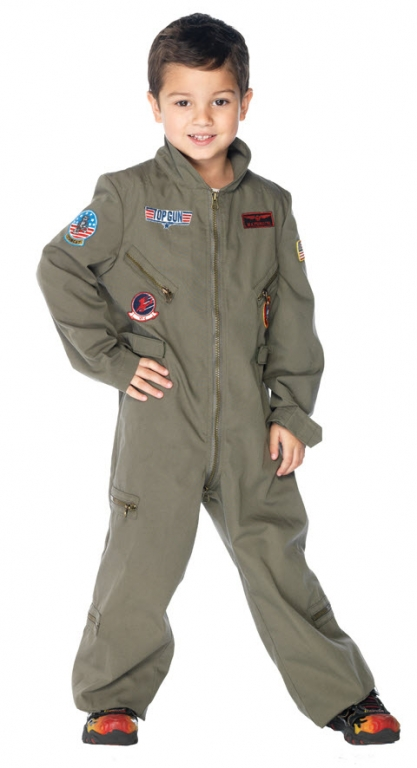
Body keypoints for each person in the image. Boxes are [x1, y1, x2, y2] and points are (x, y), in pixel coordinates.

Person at [36, 12, 400, 748]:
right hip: (161, 421)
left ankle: (346, 694)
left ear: (245, 103)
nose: (201, 119)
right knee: (140, 565)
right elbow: (60, 265)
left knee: (278, 561)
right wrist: (112, 360)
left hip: (248, 429)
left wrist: (291, 414)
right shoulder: (125, 195)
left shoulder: (270, 205)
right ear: (154, 105)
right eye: (183, 101)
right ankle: (111, 698)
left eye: (219, 101)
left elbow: (293, 317)